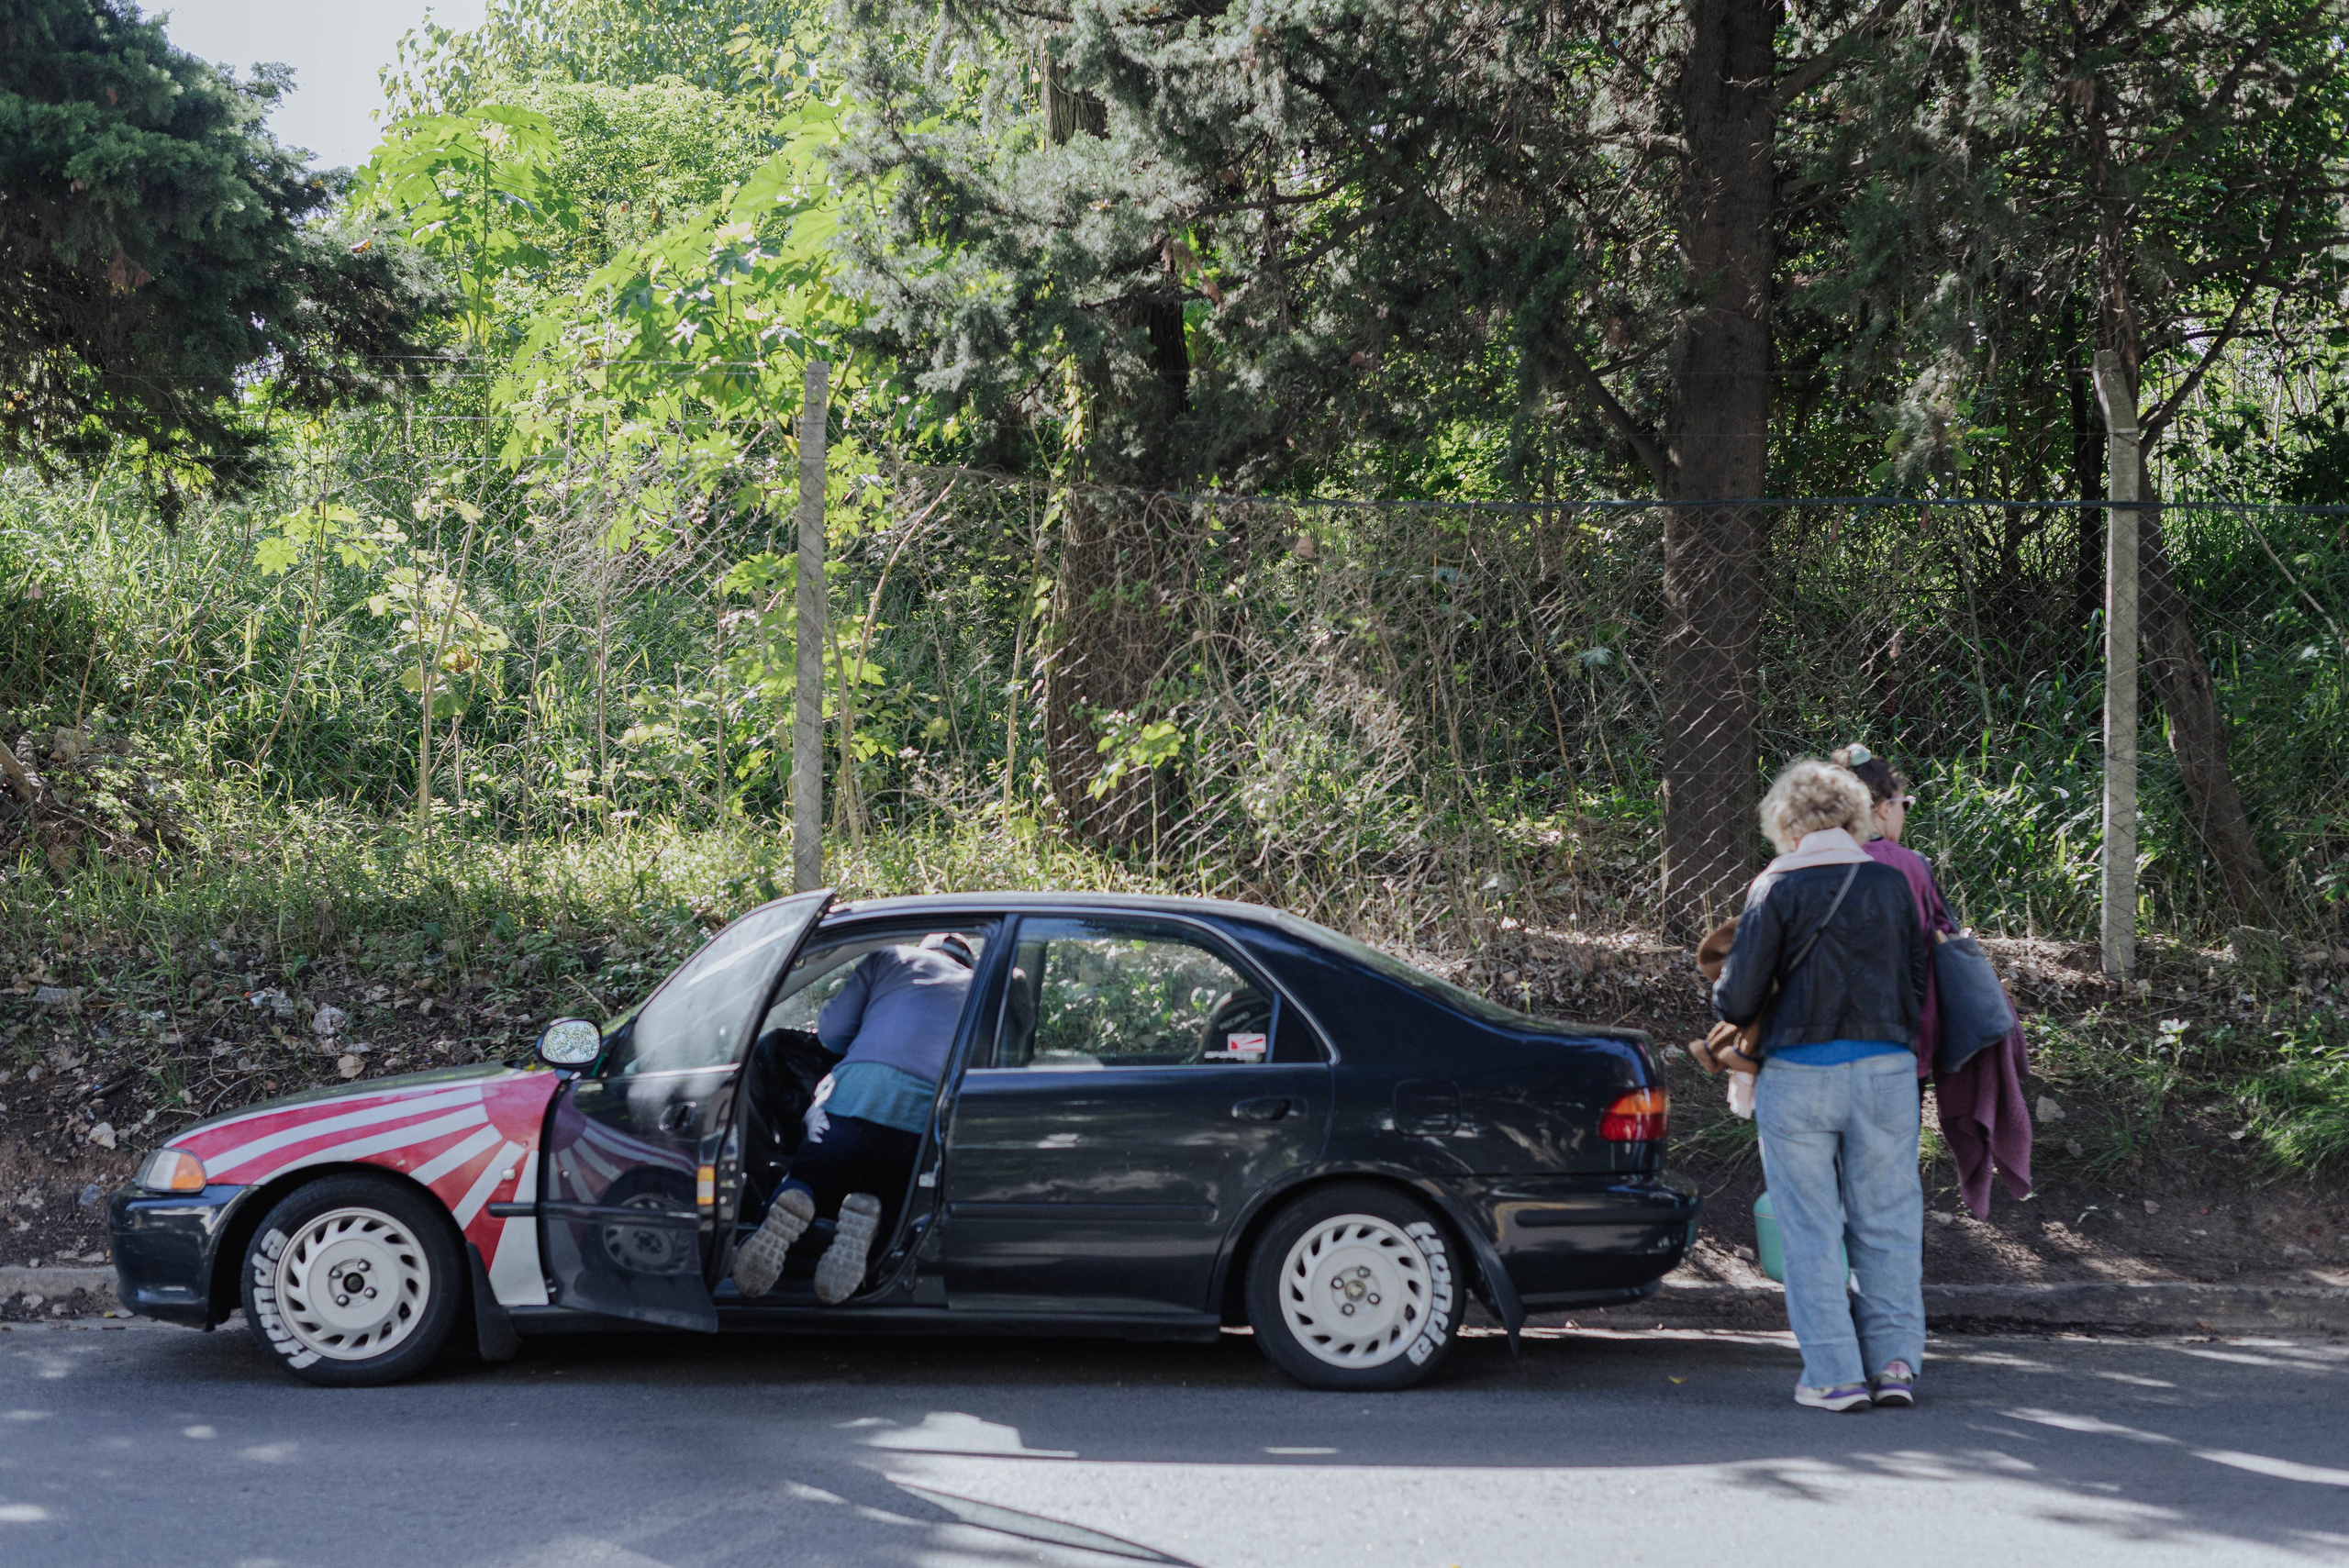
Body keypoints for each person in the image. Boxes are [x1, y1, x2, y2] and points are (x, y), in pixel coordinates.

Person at [1714, 759, 1929, 1412]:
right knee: (1888, 1221)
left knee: (1811, 1229)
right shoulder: (1892, 885)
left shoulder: (1773, 887)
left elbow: (1736, 998)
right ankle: (1894, 1363)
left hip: (1799, 1075)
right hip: (1887, 1070)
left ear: (1786, 819)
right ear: (1859, 813)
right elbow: (1918, 984)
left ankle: (1834, 1375)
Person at [1835, 743, 2032, 1218]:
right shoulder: (1910, 866)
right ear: (1883, 809)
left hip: (1819, 1047)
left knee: (1835, 1169)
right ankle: (1894, 1274)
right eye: (1904, 805)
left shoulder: (1799, 863)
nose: (1904, 815)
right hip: (1901, 1047)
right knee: (1889, 1171)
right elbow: (1939, 939)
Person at [732, 931, 975, 1304]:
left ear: (926, 950)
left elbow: (831, 1034)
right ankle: (868, 1228)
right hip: (919, 1119)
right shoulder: (978, 989)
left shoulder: (891, 957)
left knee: (810, 1177)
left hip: (854, 1098)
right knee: (895, 1201)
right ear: (966, 963)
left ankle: (794, 1201)